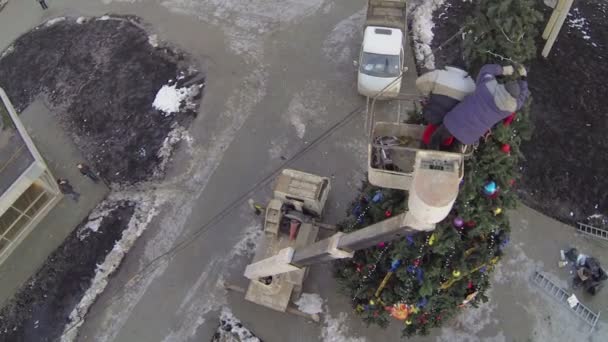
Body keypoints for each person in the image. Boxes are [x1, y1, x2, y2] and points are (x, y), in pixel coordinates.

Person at [429, 64, 529, 149]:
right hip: (468, 135)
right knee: (453, 151)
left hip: (455, 121)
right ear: (514, 97)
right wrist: (523, 79)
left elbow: (486, 70)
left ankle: (428, 159)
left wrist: (504, 70)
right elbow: (522, 98)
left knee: (435, 139)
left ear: (505, 86)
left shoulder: (487, 85)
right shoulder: (511, 108)